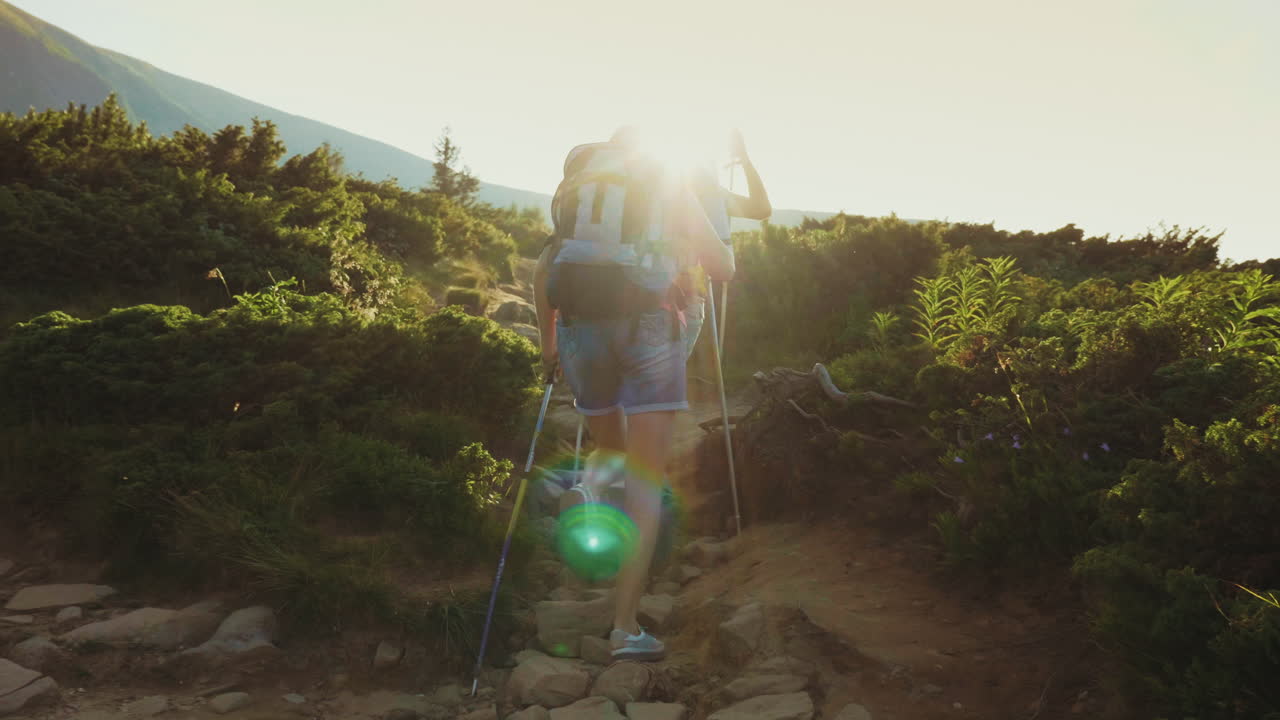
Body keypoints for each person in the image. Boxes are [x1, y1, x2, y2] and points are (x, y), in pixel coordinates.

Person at [533, 127, 734, 661]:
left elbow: (544, 270)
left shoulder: (580, 188)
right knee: (645, 481)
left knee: (610, 445)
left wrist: (549, 347)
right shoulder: (665, 182)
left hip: (579, 326)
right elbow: (723, 267)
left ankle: (593, 492)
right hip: (649, 325)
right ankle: (625, 628)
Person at [680, 129, 772, 360]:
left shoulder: (713, 195)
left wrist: (744, 160)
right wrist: (744, 160)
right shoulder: (712, 196)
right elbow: (761, 208)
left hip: (663, 294)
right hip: (681, 297)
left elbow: (761, 208)